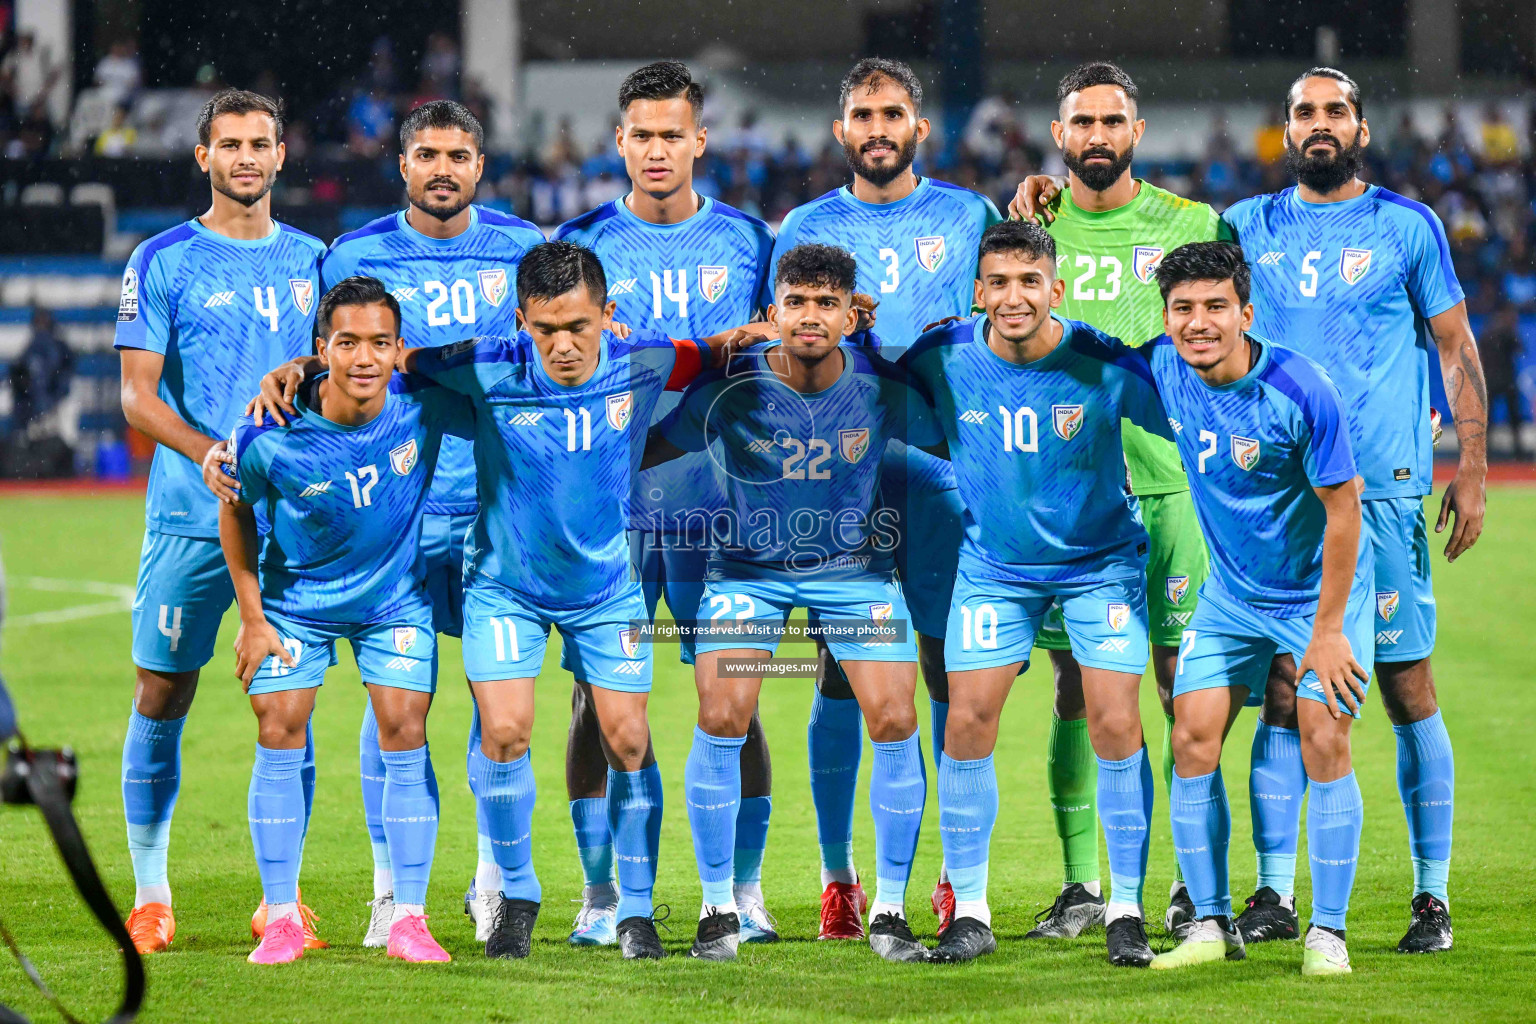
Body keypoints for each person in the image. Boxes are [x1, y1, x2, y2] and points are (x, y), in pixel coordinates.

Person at [250, 240, 764, 960]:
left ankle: (637, 910)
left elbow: (712, 354)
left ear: (608, 316)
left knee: (627, 738)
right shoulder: (482, 363)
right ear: (520, 319)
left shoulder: (643, 358)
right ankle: (517, 892)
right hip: (505, 589)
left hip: (605, 590)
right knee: (506, 733)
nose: (562, 344)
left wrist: (760, 335)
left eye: (578, 327)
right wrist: (303, 367)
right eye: (545, 328)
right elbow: (387, 359)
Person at [249, 98, 543, 948]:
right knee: (399, 709)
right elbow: (330, 344)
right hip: (394, 509)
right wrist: (294, 366)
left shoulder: (523, 249)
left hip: (493, 506)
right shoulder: (357, 252)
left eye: (458, 154)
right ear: (403, 164)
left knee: (498, 710)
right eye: (426, 154)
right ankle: (390, 891)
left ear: (480, 166)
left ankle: (493, 884)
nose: (442, 168)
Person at [1222, 67, 1487, 953]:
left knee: (1409, 687)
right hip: (1279, 496)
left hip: (1383, 489)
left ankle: (1431, 898)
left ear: (1362, 129)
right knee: (1282, 690)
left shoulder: (1406, 227)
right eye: (1305, 112)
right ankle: (1271, 891)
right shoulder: (1245, 226)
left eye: (1336, 111)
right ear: (1287, 130)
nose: (1320, 124)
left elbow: (1454, 345)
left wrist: (1474, 466)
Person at [642, 243, 936, 963]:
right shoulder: (729, 386)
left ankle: (890, 911)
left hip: (855, 570)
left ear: (849, 313)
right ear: (772, 312)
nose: (810, 317)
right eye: (797, 302)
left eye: (826, 303)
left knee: (897, 717)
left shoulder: (882, 385)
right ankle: (717, 911)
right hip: (746, 569)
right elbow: (646, 446)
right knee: (721, 716)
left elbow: (965, 432)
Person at [771, 56, 1001, 941]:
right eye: (862, 113)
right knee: (839, 673)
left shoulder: (967, 215)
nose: (877, 127)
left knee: (948, 667)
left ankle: (948, 874)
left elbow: (997, 318)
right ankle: (839, 879)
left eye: (892, 112)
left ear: (919, 127)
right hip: (842, 482)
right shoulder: (803, 224)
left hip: (946, 472)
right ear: (841, 130)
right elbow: (785, 350)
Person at [902, 221, 1172, 966]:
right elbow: (872, 387)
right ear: (978, 290)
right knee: (967, 722)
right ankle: (973, 911)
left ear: (1057, 288)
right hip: (996, 568)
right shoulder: (942, 356)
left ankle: (1126, 908)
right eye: (999, 282)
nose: (1014, 297)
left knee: (1116, 721)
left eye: (1030, 282)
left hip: (1101, 563)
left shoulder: (1105, 363)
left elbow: (1195, 415)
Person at [552, 61, 779, 946]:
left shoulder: (751, 240)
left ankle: (746, 892)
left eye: (671, 135)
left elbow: (770, 353)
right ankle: (600, 895)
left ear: (699, 140)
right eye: (640, 135)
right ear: (618, 142)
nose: (655, 150)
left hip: (721, 503)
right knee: (592, 699)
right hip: (608, 507)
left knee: (735, 699)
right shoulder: (575, 244)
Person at [1005, 59, 1226, 940]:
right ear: (1058, 137)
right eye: (1081, 123)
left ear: (1137, 130)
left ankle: (1183, 884)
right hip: (1069, 493)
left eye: (1112, 121)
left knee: (1181, 683)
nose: (1097, 135)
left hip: (1170, 486)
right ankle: (1079, 884)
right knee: (1074, 684)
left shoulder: (1190, 222)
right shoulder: (1026, 226)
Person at [114, 88, 325, 955]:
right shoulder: (161, 259)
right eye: (229, 144)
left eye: (260, 143)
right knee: (162, 691)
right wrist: (209, 451)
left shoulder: (319, 258)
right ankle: (152, 893)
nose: (246, 157)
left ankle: (283, 899)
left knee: (287, 711)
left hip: (289, 525)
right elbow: (136, 396)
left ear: (282, 156)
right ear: (202, 156)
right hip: (188, 518)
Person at [222, 277, 472, 965]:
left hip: (392, 599)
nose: (364, 358)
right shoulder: (269, 433)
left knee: (405, 729)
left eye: (380, 343)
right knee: (278, 727)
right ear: (320, 349)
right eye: (347, 342)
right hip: (295, 600)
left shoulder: (423, 406)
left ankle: (410, 920)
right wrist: (251, 617)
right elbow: (236, 512)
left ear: (400, 350)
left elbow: (500, 389)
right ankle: (280, 918)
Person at [1142, 241, 1373, 977]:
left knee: (1323, 738)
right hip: (1232, 598)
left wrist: (1329, 631)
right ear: (1168, 316)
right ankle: (1210, 924)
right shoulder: (1162, 366)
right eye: (1184, 309)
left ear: (1246, 312)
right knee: (1192, 736)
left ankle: (1328, 934)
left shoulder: (1303, 391)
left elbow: (1344, 514)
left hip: (1317, 598)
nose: (1198, 323)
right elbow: (1074, 357)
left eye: (1215, 307)